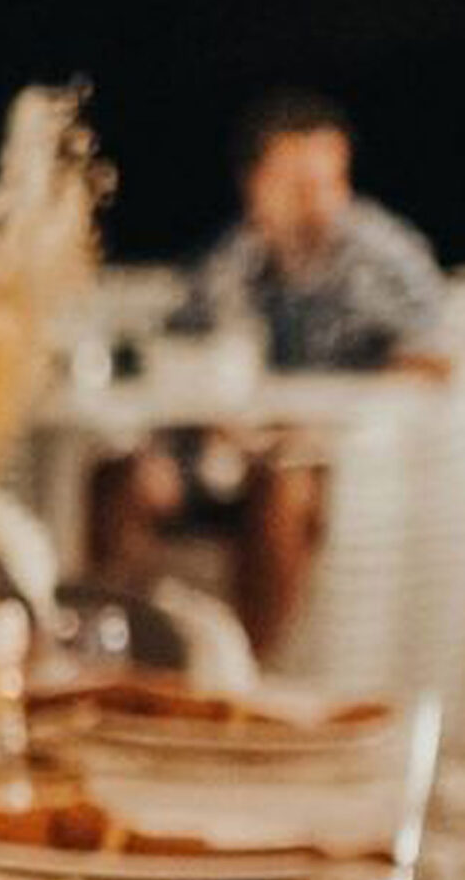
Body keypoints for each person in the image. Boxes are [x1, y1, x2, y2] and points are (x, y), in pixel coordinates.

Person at [89, 91, 451, 657]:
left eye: (330, 183)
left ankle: (249, 673)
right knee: (123, 478)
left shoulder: (381, 257)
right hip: (227, 446)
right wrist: (218, 420)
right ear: (256, 185)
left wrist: (321, 418)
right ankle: (130, 653)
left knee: (282, 485)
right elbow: (182, 353)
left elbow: (433, 362)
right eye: (300, 186)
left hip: (344, 465)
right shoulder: (233, 259)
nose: (320, 202)